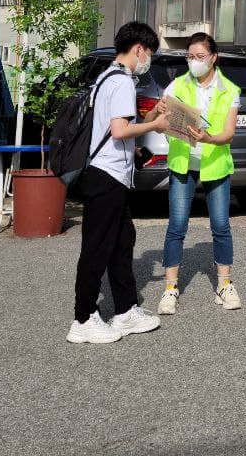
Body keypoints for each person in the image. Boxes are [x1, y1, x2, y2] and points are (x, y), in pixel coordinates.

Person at [67, 21, 165, 344]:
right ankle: (83, 317)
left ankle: (125, 310)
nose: (147, 59)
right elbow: (120, 130)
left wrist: (150, 121)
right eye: (148, 53)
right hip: (107, 176)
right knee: (97, 247)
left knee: (123, 241)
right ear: (138, 49)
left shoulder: (106, 76)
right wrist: (159, 124)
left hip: (108, 174)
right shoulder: (122, 82)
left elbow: (115, 131)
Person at [156, 32, 241, 316]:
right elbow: (155, 123)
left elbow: (228, 134)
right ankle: (170, 288)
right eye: (189, 56)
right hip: (183, 163)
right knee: (177, 226)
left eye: (199, 56)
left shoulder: (230, 89)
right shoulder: (176, 85)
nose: (194, 61)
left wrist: (207, 138)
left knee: (221, 226)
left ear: (213, 57)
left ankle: (225, 284)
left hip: (215, 164)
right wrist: (157, 112)